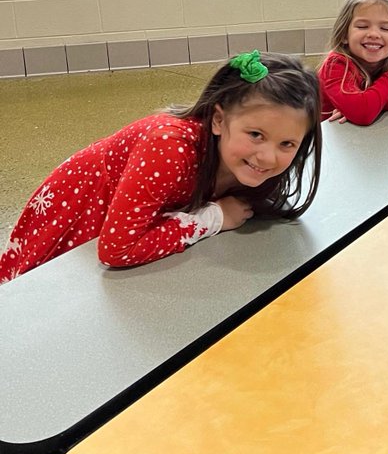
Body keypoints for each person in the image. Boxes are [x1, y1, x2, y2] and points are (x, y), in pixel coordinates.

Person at [0, 51, 322, 283]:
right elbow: (115, 249)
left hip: (132, 209)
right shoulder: (169, 147)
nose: (268, 157)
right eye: (255, 135)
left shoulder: (247, 164)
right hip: (80, 208)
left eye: (286, 144)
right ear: (219, 120)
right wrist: (213, 218)